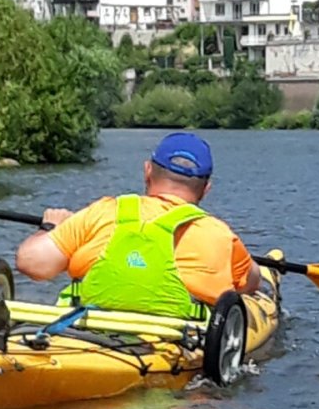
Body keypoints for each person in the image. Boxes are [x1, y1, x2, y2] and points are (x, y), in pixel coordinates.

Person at [14, 131, 259, 320]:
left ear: (147, 171)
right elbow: (251, 282)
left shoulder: (102, 211)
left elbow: (32, 263)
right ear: (206, 189)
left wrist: (51, 227)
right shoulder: (219, 234)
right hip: (178, 341)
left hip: (86, 333)